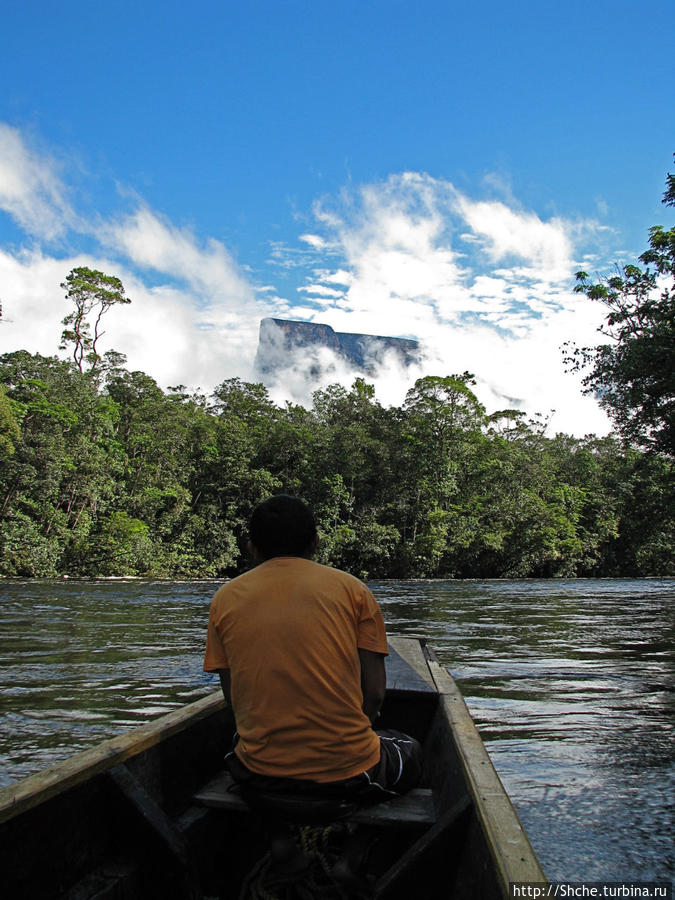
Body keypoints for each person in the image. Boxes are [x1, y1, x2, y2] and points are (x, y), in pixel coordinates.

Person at [203, 494, 422, 800]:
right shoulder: (354, 591)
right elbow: (374, 693)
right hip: (348, 774)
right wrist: (356, 733)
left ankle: (282, 835)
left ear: (251, 549)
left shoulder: (223, 600)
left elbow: (234, 699)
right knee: (409, 748)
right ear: (316, 543)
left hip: (258, 775)